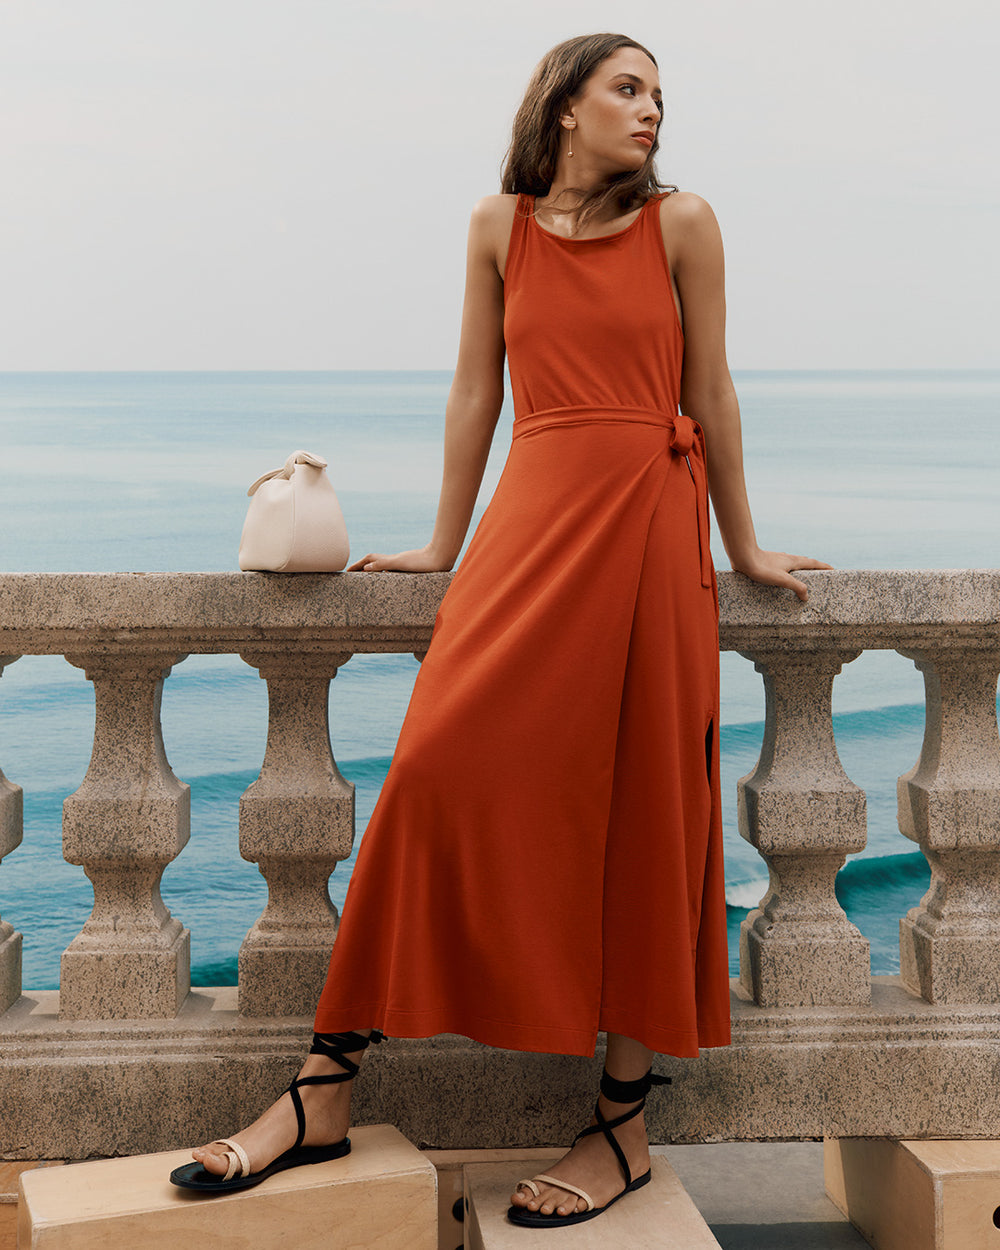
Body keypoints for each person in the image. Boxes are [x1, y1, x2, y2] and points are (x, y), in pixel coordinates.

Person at [169, 32, 829, 1228]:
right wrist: (439, 541)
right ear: (563, 106)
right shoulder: (497, 226)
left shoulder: (685, 223)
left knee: (645, 810)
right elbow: (476, 388)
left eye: (659, 96)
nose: (650, 111)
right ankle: (324, 1084)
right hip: (530, 517)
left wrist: (742, 544)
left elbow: (712, 389)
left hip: (643, 523)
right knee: (431, 767)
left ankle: (619, 1123)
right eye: (627, 88)